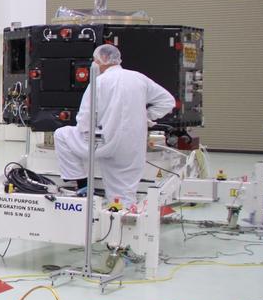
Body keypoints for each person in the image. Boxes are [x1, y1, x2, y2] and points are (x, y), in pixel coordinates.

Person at [54, 44, 175, 205]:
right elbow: (167, 101)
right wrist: (145, 117)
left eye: (95, 60)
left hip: (103, 142)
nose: (93, 64)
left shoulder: (99, 82)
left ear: (103, 60)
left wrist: (88, 134)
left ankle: (82, 185)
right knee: (123, 195)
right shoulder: (139, 78)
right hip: (131, 145)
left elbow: (84, 118)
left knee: (62, 134)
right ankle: (124, 220)